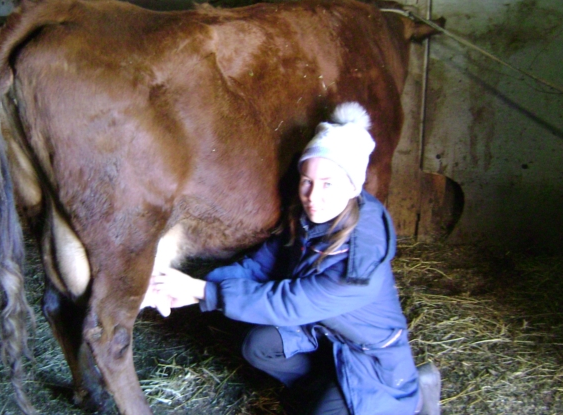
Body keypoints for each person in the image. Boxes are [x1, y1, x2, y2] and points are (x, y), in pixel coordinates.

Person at [143, 102, 441, 415]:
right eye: (306, 181)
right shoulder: (310, 219)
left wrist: (204, 292)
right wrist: (198, 288)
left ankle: (414, 397)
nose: (312, 196)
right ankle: (322, 390)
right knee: (258, 346)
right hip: (324, 333)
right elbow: (260, 265)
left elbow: (289, 302)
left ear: (353, 187)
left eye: (328, 184)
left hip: (371, 364)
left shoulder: (359, 266)